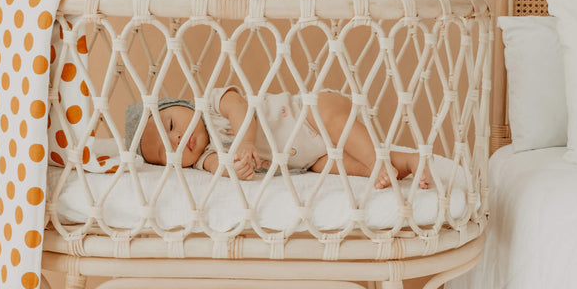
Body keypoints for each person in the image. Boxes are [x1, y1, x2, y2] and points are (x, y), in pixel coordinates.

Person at [126, 87, 430, 189]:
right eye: (167, 152)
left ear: (181, 104)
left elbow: (240, 109)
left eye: (170, 125)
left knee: (334, 120)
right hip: (310, 159)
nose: (178, 140)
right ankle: (405, 164)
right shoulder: (202, 159)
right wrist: (235, 167)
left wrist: (245, 143)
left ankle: (377, 162)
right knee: (334, 165)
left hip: (309, 111)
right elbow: (220, 166)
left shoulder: (212, 103)